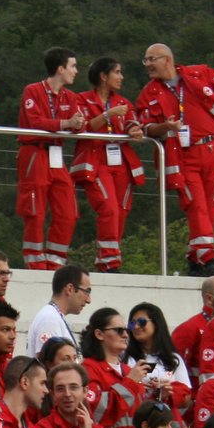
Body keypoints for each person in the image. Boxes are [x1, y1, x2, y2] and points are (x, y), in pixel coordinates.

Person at [133, 44, 214, 275]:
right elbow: (147, 128)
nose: (148, 65)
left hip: (213, 148)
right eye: (145, 61)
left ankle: (196, 257)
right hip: (183, 155)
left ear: (167, 60)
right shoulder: (148, 93)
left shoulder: (199, 73)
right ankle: (208, 258)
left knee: (212, 204)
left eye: (151, 59)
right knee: (195, 205)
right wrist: (167, 126)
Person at [16, 47, 88, 271]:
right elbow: (35, 121)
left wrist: (77, 124)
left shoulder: (71, 97)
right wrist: (66, 124)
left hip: (56, 155)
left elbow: (79, 123)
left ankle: (56, 261)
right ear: (60, 69)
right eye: (73, 66)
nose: (76, 71)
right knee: (34, 208)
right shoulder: (33, 90)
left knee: (68, 210)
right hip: (34, 152)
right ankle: (34, 261)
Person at [73, 56, 146, 273]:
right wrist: (107, 115)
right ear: (103, 76)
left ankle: (110, 259)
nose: (121, 77)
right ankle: (108, 262)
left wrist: (135, 130)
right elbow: (82, 128)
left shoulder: (123, 102)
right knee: (109, 208)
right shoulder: (82, 100)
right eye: (117, 72)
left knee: (121, 210)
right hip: (96, 161)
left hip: (121, 162)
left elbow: (133, 122)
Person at [125, 303, 194, 428]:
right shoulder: (125, 357)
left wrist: (169, 392)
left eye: (142, 322)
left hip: (166, 426)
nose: (136, 327)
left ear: (156, 324)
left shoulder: (173, 359)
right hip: (135, 424)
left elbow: (187, 398)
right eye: (132, 324)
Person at [26, 265, 92, 359]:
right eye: (86, 292)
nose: (89, 300)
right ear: (70, 289)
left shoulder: (54, 317)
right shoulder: (50, 319)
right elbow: (47, 364)